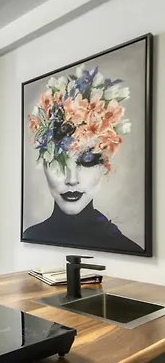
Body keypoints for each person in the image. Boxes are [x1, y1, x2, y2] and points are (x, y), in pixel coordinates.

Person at [23, 64, 143, 253]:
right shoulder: (30, 237)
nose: (72, 180)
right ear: (44, 164)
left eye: (87, 160)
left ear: (104, 166)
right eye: (60, 160)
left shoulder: (126, 248)